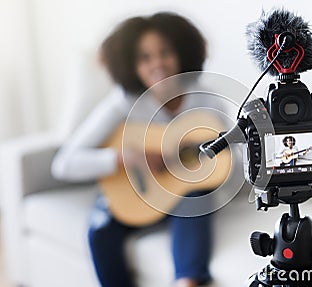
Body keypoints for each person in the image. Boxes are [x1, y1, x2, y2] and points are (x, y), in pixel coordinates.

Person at [51, 12, 219, 287]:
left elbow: (230, 157)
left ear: (182, 54)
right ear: (131, 65)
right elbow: (64, 163)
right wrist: (122, 158)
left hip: (183, 197)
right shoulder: (122, 103)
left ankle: (188, 280)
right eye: (145, 58)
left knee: (195, 197)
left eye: (165, 52)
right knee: (100, 232)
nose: (157, 64)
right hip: (133, 196)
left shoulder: (206, 98)